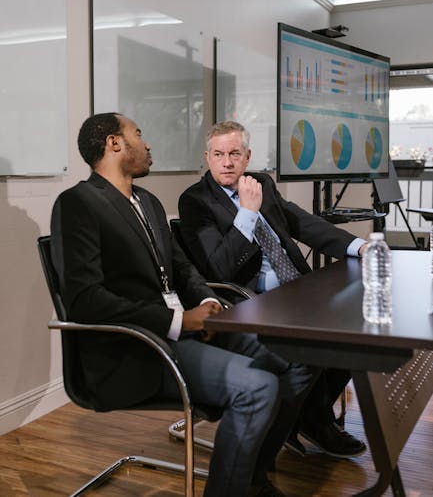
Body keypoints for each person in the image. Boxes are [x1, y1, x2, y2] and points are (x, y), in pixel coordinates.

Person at [50, 112, 326, 497]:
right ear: (114, 144)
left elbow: (180, 268)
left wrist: (210, 301)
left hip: (184, 330)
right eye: (139, 134)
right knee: (258, 386)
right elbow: (84, 300)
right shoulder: (76, 203)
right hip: (136, 349)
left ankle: (250, 479)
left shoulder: (146, 201)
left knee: (300, 358)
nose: (147, 145)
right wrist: (180, 320)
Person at [178, 120, 368, 459]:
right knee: (315, 345)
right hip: (252, 300)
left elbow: (301, 223)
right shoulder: (195, 201)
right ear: (207, 157)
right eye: (218, 154)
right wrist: (247, 213)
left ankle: (309, 417)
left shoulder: (261, 183)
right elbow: (219, 267)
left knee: (355, 331)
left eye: (234, 153)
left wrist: (358, 246)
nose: (227, 162)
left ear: (247, 156)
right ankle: (313, 422)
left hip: (297, 288)